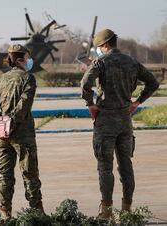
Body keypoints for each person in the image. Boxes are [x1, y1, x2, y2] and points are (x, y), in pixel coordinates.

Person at [81, 29, 159, 219]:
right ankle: (127, 210)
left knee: (105, 167)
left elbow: (85, 84)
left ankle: (107, 212)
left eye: (99, 47)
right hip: (125, 120)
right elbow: (153, 83)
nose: (98, 50)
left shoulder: (101, 62)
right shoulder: (131, 62)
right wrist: (137, 102)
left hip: (105, 121)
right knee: (126, 166)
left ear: (104, 45)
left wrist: (90, 104)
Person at [0, 44, 43, 221]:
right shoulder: (29, 78)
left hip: (1, 136)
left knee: (4, 176)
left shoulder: (0, 80)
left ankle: (5, 214)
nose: (29, 61)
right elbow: (23, 106)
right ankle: (37, 213)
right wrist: (10, 124)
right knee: (29, 174)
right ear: (20, 59)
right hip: (23, 135)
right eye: (27, 57)